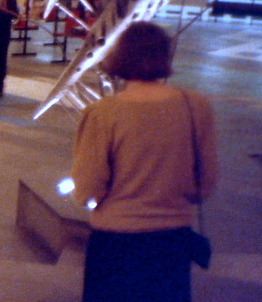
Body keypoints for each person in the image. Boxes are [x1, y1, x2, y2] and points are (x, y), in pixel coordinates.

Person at [71, 21, 219, 302]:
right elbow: (206, 183)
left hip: (115, 243)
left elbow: (87, 188)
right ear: (164, 55)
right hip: (171, 243)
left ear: (121, 56)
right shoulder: (196, 106)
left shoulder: (102, 113)